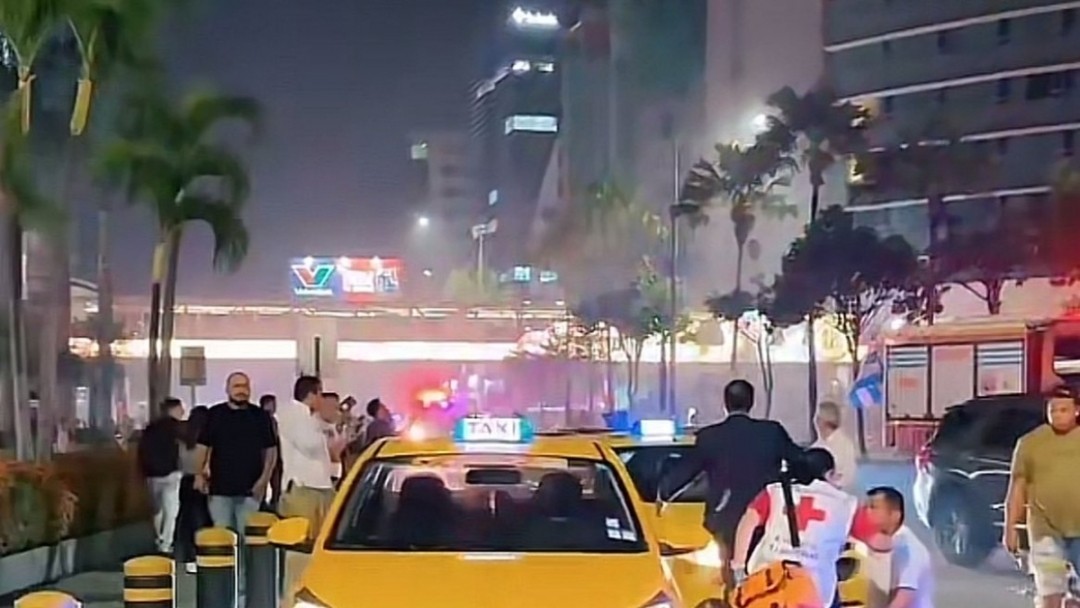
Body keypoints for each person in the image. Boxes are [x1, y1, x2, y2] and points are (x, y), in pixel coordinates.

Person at [660, 380, 802, 561]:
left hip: (726, 519)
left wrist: (664, 489)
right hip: (766, 519)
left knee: (731, 570)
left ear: (725, 404)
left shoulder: (710, 437)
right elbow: (799, 462)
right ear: (752, 403)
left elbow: (685, 472)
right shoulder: (771, 432)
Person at [731, 448, 885, 608]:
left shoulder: (775, 491)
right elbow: (879, 542)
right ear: (830, 473)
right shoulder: (846, 504)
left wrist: (738, 568)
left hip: (767, 581)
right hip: (813, 590)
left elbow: (747, 523)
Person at [1005, 386, 1080, 608]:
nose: (1057, 414)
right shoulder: (1030, 443)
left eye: (1063, 409)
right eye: (1053, 409)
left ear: (1077, 411)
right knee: (1050, 591)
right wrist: (1010, 528)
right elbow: (1018, 487)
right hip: (1045, 532)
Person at [276, 376, 337, 604]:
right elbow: (310, 446)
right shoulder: (293, 414)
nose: (322, 401)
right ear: (311, 394)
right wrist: (324, 429)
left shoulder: (311, 418)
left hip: (320, 488)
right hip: (303, 490)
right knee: (299, 553)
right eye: (320, 395)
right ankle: (292, 600)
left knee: (320, 551)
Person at [194, 372, 278, 534]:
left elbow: (270, 451)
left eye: (245, 386)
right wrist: (198, 474)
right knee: (223, 535)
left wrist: (264, 480)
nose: (242, 390)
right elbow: (203, 446)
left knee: (246, 537)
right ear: (227, 389)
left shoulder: (260, 417)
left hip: (251, 490)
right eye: (237, 386)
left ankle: (244, 562)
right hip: (219, 489)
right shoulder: (215, 414)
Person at [864, 486, 933, 608]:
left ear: (895, 515)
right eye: (866, 507)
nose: (867, 512)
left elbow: (904, 597)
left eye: (873, 507)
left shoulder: (908, 547)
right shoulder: (878, 542)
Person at [138, 398, 184, 555]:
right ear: (173, 410)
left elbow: (142, 450)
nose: (182, 412)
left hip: (152, 474)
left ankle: (158, 539)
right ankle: (165, 543)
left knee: (157, 510)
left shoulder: (151, 428)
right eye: (180, 409)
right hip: (171, 473)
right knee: (171, 510)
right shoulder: (177, 428)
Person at [176, 405, 211, 573]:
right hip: (203, 480)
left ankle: (190, 557)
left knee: (187, 519)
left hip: (185, 480)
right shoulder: (206, 440)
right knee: (203, 519)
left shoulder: (184, 439)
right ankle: (203, 553)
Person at [812, 401, 858, 492]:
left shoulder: (844, 445)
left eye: (818, 418)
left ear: (822, 421)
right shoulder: (818, 445)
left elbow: (846, 478)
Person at [258, 393, 283, 510]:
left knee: (276, 483)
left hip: (276, 456)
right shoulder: (262, 420)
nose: (274, 407)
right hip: (264, 456)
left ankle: (274, 502)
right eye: (272, 404)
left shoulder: (274, 420)